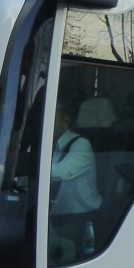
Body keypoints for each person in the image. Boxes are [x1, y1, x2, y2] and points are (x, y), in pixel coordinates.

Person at [49, 105, 101, 259]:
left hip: (81, 220)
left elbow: (61, 172)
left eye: (52, 116)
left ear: (66, 121)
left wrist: (27, 165)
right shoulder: (47, 146)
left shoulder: (80, 144)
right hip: (54, 219)